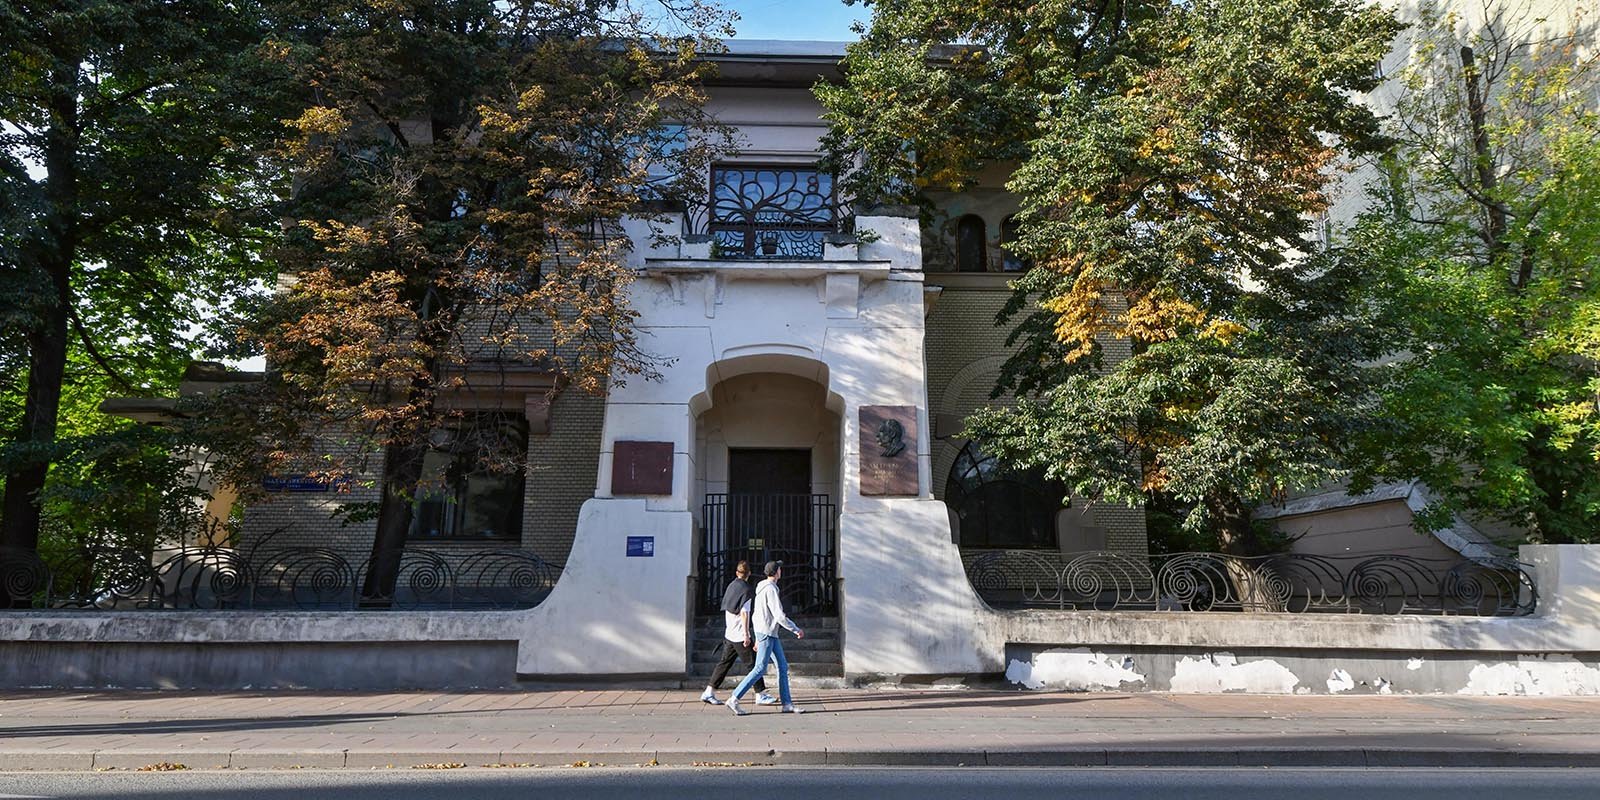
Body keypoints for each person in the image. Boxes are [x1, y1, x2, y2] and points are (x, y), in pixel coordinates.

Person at [726, 560, 805, 715]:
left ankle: (787, 704)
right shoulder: (770, 590)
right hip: (767, 634)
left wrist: (757, 635)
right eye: (780, 569)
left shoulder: (762, 588)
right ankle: (734, 698)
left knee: (782, 666)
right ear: (776, 572)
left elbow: (756, 614)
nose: (781, 571)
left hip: (769, 634)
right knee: (760, 668)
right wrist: (795, 629)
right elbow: (779, 615)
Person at [700, 561, 777, 707]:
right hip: (740, 635)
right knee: (754, 665)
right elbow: (744, 613)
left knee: (724, 663)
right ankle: (760, 694)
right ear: (749, 573)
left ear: (737, 573)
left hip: (730, 632)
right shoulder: (746, 590)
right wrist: (747, 635)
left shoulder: (731, 586)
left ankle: (709, 692)